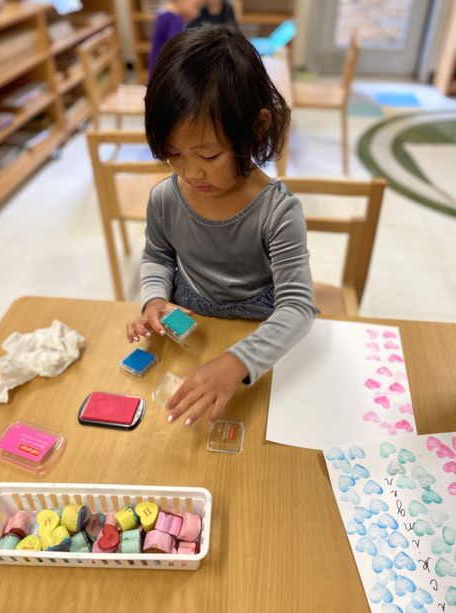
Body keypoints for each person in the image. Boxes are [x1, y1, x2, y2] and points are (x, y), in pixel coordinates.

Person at [127, 26, 317, 427]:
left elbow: (298, 308)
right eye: (173, 153)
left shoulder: (277, 212)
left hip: (256, 336)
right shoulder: (165, 199)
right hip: (190, 330)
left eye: (209, 154)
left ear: (256, 130)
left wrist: (239, 362)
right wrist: (153, 299)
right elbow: (157, 257)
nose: (190, 171)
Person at [148, 0, 201, 76]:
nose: (198, 14)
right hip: (165, 75)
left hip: (156, 72)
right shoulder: (174, 19)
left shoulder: (163, 15)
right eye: (196, 6)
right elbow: (178, 50)